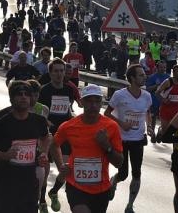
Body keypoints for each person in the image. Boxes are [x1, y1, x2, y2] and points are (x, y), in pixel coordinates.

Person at [51, 84, 124, 213]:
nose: (93, 105)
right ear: (81, 102)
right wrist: (61, 165)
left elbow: (119, 162)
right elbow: (54, 145)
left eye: (97, 101)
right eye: (89, 101)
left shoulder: (111, 126)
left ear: (101, 103)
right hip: (76, 186)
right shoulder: (69, 126)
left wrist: (107, 146)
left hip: (101, 188)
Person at [0, 81, 51, 213]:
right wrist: (4, 155)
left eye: (27, 94)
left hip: (29, 182)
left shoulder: (39, 121)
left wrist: (43, 153)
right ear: (12, 99)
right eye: (19, 94)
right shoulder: (1, 123)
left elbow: (46, 137)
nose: (24, 97)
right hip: (5, 183)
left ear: (31, 99)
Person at [105, 65, 154, 213]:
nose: (144, 77)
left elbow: (148, 113)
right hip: (121, 139)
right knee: (123, 173)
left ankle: (130, 205)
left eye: (144, 75)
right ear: (132, 78)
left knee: (137, 173)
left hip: (138, 140)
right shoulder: (120, 95)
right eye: (141, 75)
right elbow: (107, 113)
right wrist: (121, 123)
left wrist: (150, 126)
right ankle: (114, 181)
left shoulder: (147, 96)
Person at [38, 58, 81, 212]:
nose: (59, 74)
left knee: (66, 168)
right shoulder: (44, 90)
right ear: (50, 73)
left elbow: (68, 109)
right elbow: (40, 113)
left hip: (64, 134)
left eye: (61, 71)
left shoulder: (69, 90)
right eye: (55, 71)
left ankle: (54, 191)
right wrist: (48, 122)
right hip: (47, 135)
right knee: (45, 170)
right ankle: (42, 200)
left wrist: (72, 120)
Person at [146, 60, 170, 142]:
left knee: (165, 120)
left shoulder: (168, 77)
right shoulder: (152, 77)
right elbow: (147, 89)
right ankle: (153, 135)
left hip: (164, 103)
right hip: (154, 101)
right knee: (153, 119)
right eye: (161, 67)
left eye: (164, 67)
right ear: (157, 67)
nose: (163, 69)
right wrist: (157, 86)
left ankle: (160, 133)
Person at [157, 64, 178, 130]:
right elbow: (157, 93)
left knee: (176, 130)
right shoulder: (168, 82)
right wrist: (164, 100)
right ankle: (160, 131)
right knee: (165, 130)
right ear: (173, 72)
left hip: (177, 109)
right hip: (166, 109)